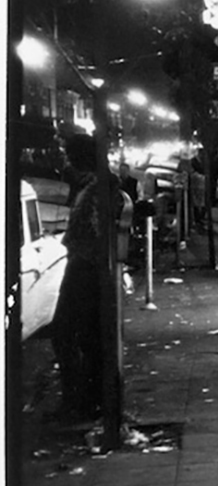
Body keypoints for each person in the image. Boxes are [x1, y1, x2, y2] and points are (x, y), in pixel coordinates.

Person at [50, 134, 123, 423]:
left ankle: (81, 399)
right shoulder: (92, 186)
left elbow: (95, 234)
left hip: (86, 270)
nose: (66, 159)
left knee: (70, 333)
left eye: (69, 153)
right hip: (83, 267)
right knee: (79, 336)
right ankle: (82, 397)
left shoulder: (97, 189)